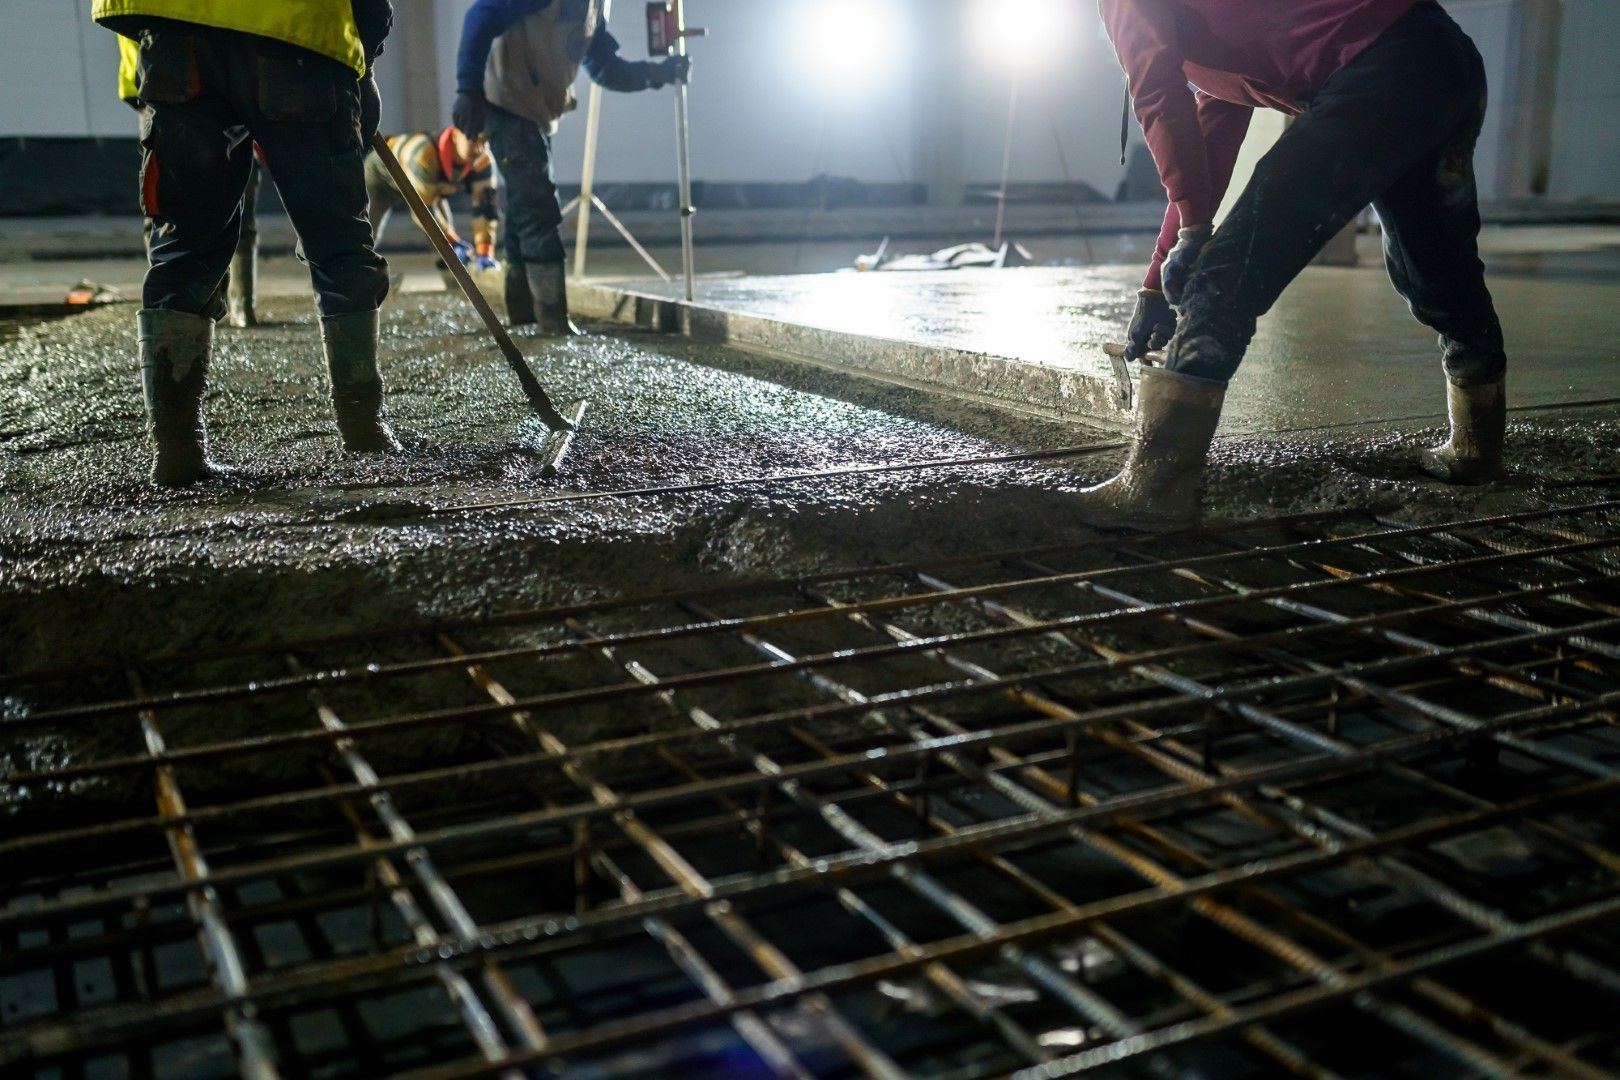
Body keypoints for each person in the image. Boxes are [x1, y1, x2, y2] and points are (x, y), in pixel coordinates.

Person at [1083, 0, 1507, 529]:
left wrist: (1196, 239)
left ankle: (1154, 488)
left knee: (1225, 274)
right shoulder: (1224, 50)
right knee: (1437, 273)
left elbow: (1156, 93)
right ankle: (1477, 446)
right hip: (1444, 61)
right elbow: (1207, 156)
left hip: (1380, 71)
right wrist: (1154, 283)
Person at [94, 0, 398, 486]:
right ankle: (365, 429)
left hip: (176, 31)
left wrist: (145, 52)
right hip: (300, 35)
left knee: (183, 245)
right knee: (337, 238)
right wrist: (363, 54)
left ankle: (178, 452)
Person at [451, 0, 690, 333]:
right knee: (538, 206)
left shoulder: (593, 9)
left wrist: (656, 74)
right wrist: (467, 89)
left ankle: (523, 314)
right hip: (505, 104)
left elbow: (606, 68)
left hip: (535, 112)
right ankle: (552, 320)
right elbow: (481, 16)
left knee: (525, 208)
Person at [118, 24, 263, 328]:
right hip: (199, 74)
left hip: (163, 76)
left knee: (169, 209)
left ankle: (184, 312)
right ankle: (226, 306)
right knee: (223, 199)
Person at [365, 126, 500, 271]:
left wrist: (485, 252)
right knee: (366, 232)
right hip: (381, 177)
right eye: (474, 140)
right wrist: (453, 242)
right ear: (455, 136)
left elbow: (485, 209)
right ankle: (357, 278)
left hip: (429, 187)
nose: (480, 149)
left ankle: (456, 282)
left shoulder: (482, 159)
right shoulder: (423, 154)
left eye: (484, 142)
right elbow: (423, 213)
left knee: (445, 236)